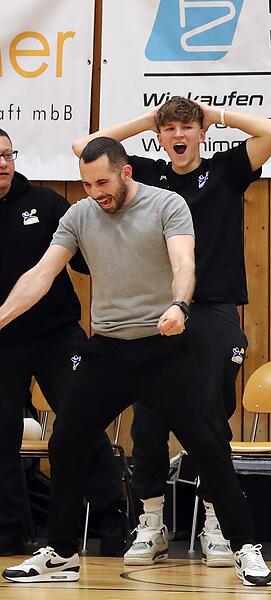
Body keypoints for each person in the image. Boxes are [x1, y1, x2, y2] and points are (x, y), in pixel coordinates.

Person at [0, 138, 271, 587]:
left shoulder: (167, 205)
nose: (95, 193)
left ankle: (245, 547)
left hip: (163, 348)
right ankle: (62, 554)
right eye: (87, 184)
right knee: (65, 441)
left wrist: (180, 306)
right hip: (107, 351)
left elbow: (184, 263)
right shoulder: (79, 215)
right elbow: (41, 276)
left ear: (126, 173)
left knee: (208, 444)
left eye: (103, 182)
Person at [71, 99, 271, 566]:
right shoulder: (147, 174)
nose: (178, 135)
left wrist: (217, 115)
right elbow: (85, 146)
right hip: (159, 309)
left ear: (201, 133)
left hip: (212, 309)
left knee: (211, 417)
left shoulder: (226, 169)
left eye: (187, 127)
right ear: (160, 137)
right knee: (149, 418)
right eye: (169, 129)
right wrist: (145, 121)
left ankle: (216, 522)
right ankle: (151, 521)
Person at [0, 129, 127, 557]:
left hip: (56, 334)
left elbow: (86, 260)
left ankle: (112, 514)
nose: (3, 163)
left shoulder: (46, 203)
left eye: (8, 154)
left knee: (79, 420)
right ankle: (10, 527)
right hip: (3, 341)